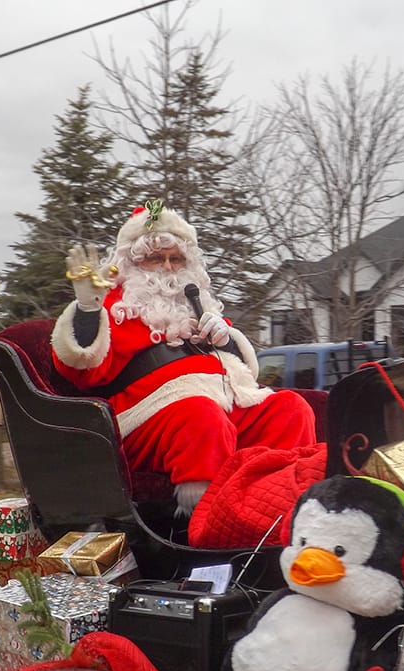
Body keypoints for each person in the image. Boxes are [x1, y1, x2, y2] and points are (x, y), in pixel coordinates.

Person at [51, 200, 317, 516]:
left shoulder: (196, 303)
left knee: (290, 408)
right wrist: (87, 310)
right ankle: (206, 520)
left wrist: (226, 339)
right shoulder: (112, 307)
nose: (168, 267)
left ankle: (280, 506)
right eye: (155, 259)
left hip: (223, 401)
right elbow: (81, 368)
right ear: (133, 263)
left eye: (176, 259)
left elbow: (243, 369)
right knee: (200, 416)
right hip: (153, 414)